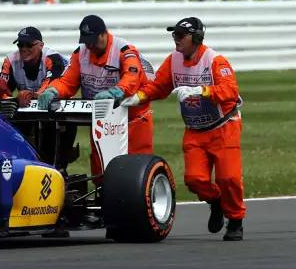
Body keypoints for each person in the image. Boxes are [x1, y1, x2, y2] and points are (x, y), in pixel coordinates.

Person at [121, 17, 245, 241]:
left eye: (181, 36)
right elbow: (158, 87)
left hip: (224, 126)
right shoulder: (173, 61)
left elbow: (230, 91)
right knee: (194, 179)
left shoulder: (215, 60)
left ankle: (235, 220)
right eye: (174, 35)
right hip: (195, 129)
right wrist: (138, 96)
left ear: (197, 38)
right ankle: (216, 201)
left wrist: (202, 91)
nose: (176, 40)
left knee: (229, 179)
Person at [37, 15, 156, 180]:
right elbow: (67, 81)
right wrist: (53, 91)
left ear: (104, 34)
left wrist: (116, 92)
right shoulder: (80, 54)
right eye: (86, 40)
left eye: (93, 40)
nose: (90, 45)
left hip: (132, 119)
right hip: (100, 118)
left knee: (137, 170)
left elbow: (132, 77)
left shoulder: (124, 51)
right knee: (101, 167)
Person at [0, 26, 76, 170]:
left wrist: (32, 95)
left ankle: (60, 166)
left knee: (56, 126)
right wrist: (14, 99)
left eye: (29, 45)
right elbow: (2, 91)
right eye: (20, 45)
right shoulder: (10, 60)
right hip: (27, 105)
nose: (24, 49)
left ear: (41, 45)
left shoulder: (52, 58)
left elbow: (52, 86)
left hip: (59, 103)